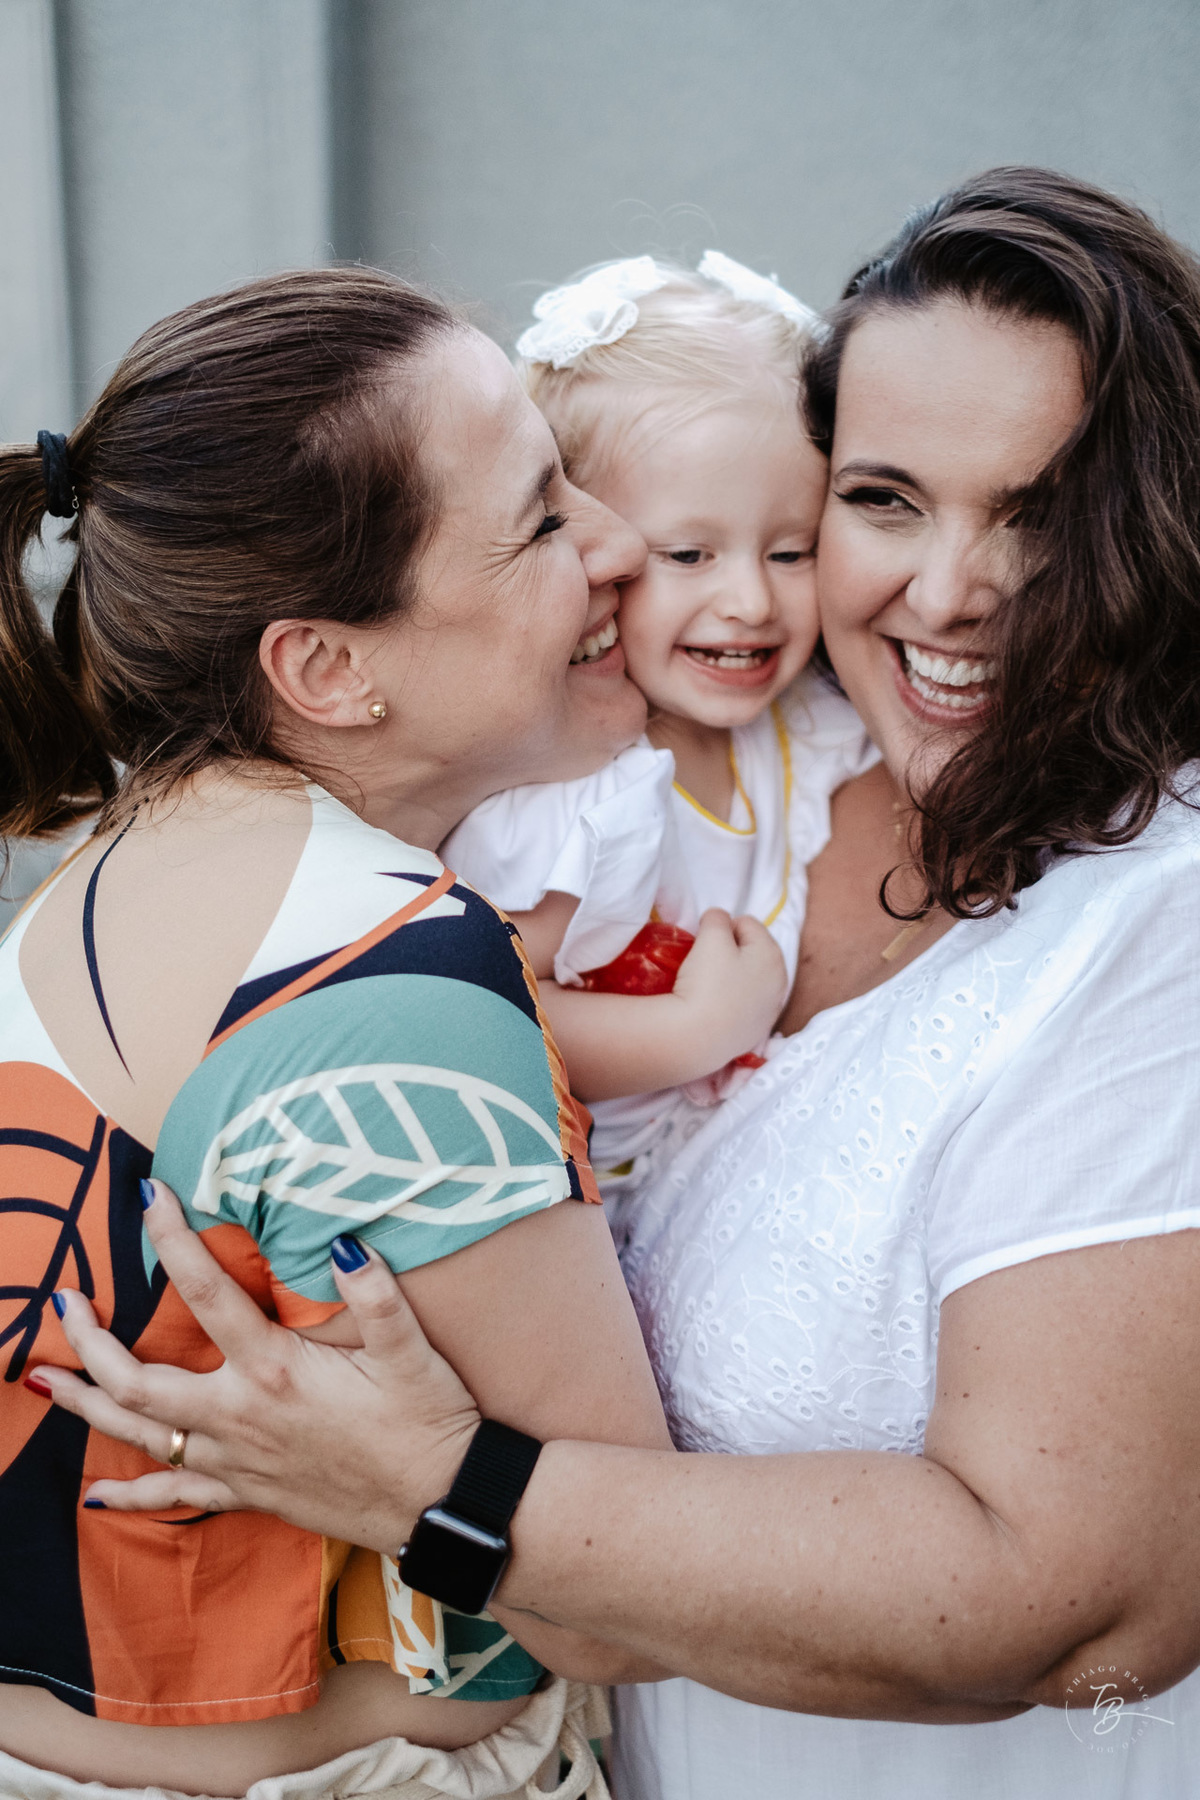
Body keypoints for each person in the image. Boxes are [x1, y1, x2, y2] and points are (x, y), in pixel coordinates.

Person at [37, 167, 1200, 1800]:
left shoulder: (1148, 915)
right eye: (883, 499)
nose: (948, 592)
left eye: (1040, 510)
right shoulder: (579, 853)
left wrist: (439, 1485)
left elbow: (1087, 1603)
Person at [0, 267, 684, 1800]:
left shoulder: (90, 884)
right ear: (326, 666)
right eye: (545, 519)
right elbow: (627, 1599)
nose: (621, 545)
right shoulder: (396, 988)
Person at [444, 253, 877, 1235]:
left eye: (791, 549)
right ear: (584, 548)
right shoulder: (575, 795)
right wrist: (693, 1031)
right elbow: (481, 1010)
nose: (752, 601)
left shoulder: (804, 736)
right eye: (689, 553)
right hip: (575, 1228)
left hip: (736, 1195)